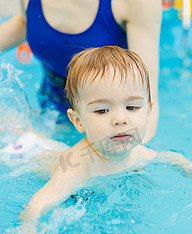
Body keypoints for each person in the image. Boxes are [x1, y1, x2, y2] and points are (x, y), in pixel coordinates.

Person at [19, 46, 192, 234]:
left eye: (132, 107)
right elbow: (32, 211)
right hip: (26, 156)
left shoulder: (137, 153)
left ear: (149, 110)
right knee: (19, 140)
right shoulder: (76, 168)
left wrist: (190, 167)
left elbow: (165, 157)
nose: (120, 119)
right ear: (78, 121)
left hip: (51, 148)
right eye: (102, 110)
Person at [0, 0, 162, 143]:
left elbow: (146, 101)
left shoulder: (137, 3)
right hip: (52, 102)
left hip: (112, 112)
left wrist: (136, 155)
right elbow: (25, 22)